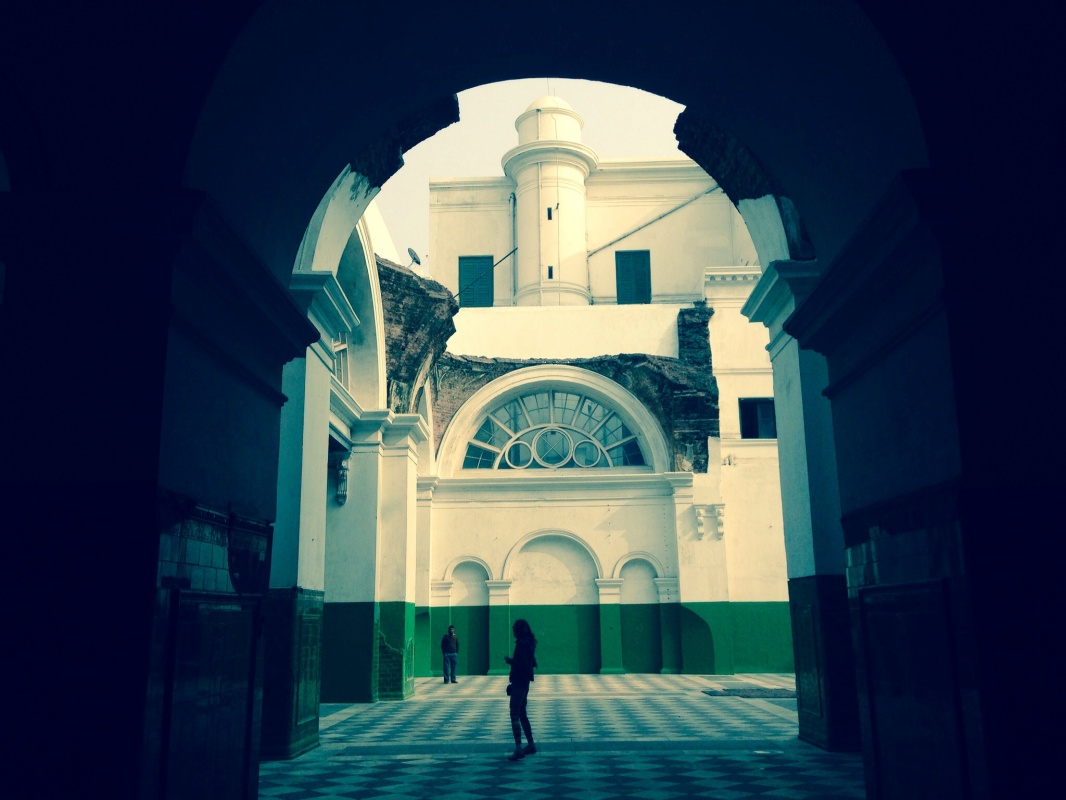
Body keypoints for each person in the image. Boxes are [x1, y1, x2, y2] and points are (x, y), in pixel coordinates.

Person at [503, 618, 538, 761]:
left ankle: (518, 749)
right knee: (522, 714)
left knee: (515, 714)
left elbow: (521, 664)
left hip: (519, 682)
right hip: (525, 682)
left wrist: (510, 661)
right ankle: (530, 744)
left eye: (514, 629)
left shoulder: (521, 645)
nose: (513, 631)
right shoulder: (529, 643)